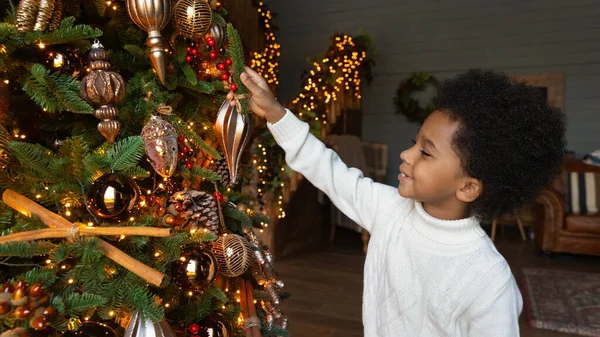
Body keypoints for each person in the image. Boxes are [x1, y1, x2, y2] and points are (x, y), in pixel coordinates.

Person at [232, 67, 566, 336]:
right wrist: (277, 114)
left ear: (467, 188)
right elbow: (328, 170)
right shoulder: (389, 209)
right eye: (413, 142)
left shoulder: (488, 280)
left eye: (426, 152)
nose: (406, 155)